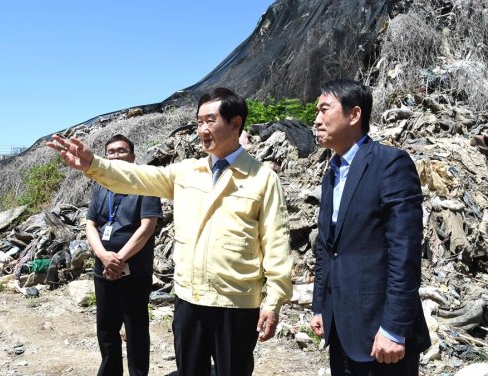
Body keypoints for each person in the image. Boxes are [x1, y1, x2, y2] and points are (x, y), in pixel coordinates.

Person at [48, 87, 293, 376]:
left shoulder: (262, 179)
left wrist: (274, 301)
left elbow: (276, 243)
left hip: (235, 303)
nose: (202, 129)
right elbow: (137, 177)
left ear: (236, 123)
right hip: (189, 300)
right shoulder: (187, 173)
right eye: (199, 121)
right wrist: (94, 165)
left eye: (210, 120)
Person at [310, 79, 431, 376]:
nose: (316, 120)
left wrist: (394, 328)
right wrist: (320, 305)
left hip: (382, 336)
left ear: (354, 115)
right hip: (341, 327)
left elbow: (404, 253)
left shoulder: (390, 164)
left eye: (325, 109)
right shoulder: (332, 173)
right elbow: (327, 248)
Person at [85, 134, 162, 376]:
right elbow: (90, 224)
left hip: (134, 270)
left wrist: (119, 259)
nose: (116, 156)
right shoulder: (101, 185)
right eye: (111, 152)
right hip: (103, 269)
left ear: (133, 156)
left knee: (136, 328)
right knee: (106, 328)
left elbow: (147, 227)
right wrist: (103, 256)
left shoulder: (146, 183)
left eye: (121, 151)